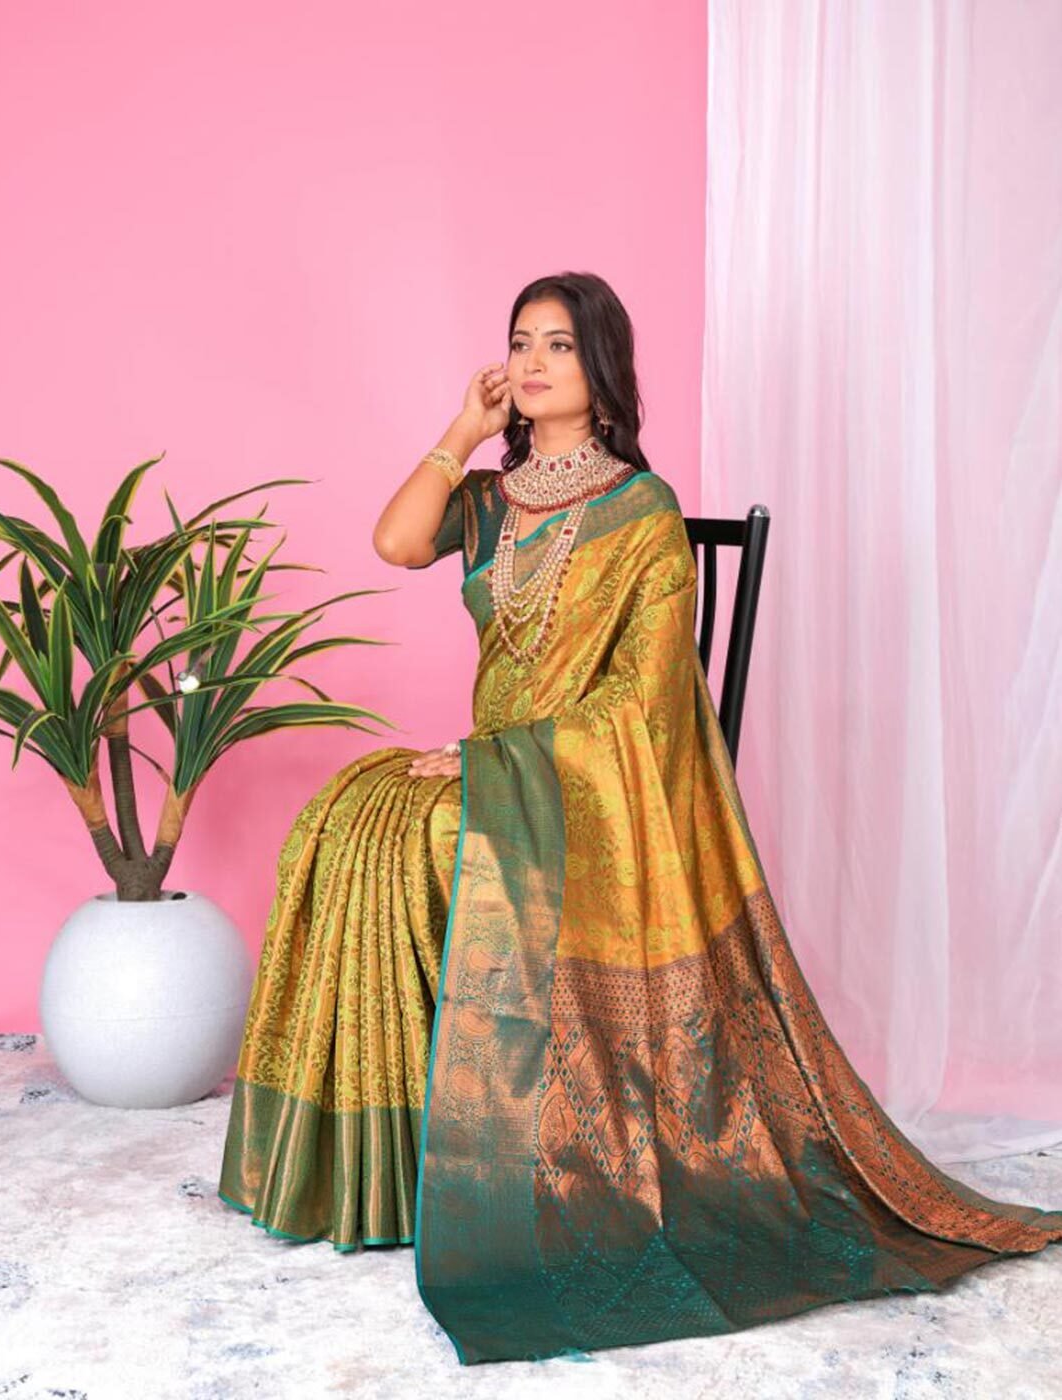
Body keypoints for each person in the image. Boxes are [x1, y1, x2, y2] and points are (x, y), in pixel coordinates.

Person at [218, 271, 1062, 1365]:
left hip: (584, 783)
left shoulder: (643, 510)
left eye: (558, 345)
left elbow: (645, 699)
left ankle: (499, 1144)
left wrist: (491, 761)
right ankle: (402, 1156)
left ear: (602, 367)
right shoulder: (490, 500)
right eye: (519, 342)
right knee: (350, 813)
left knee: (429, 829)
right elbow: (394, 542)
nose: (531, 363)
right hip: (496, 768)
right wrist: (459, 431)